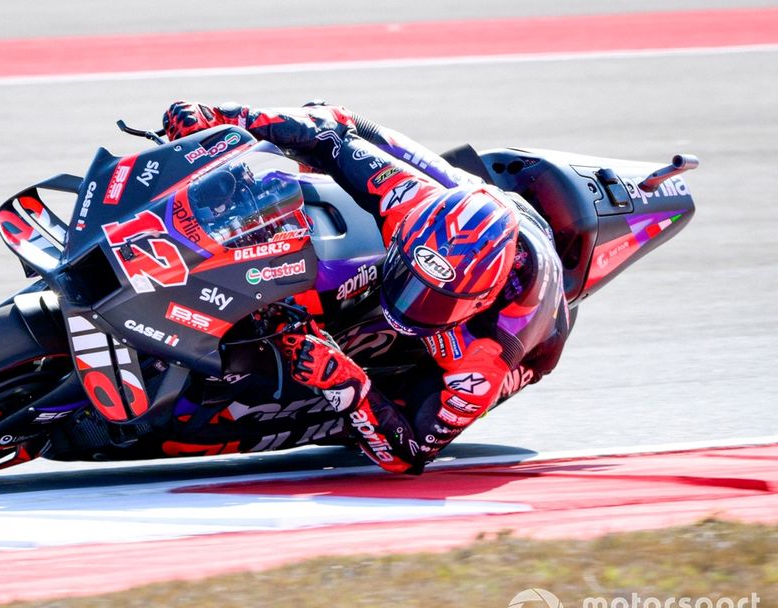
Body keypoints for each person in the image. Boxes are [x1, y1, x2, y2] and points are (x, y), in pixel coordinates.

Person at [163, 101, 571, 474]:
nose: (413, 303)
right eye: (410, 279)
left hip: (531, 341)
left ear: (481, 300)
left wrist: (345, 383)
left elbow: (411, 454)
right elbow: (330, 129)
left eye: (437, 301)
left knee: (398, 405)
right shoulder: (408, 198)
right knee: (337, 127)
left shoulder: (487, 355)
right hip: (477, 204)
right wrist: (224, 118)